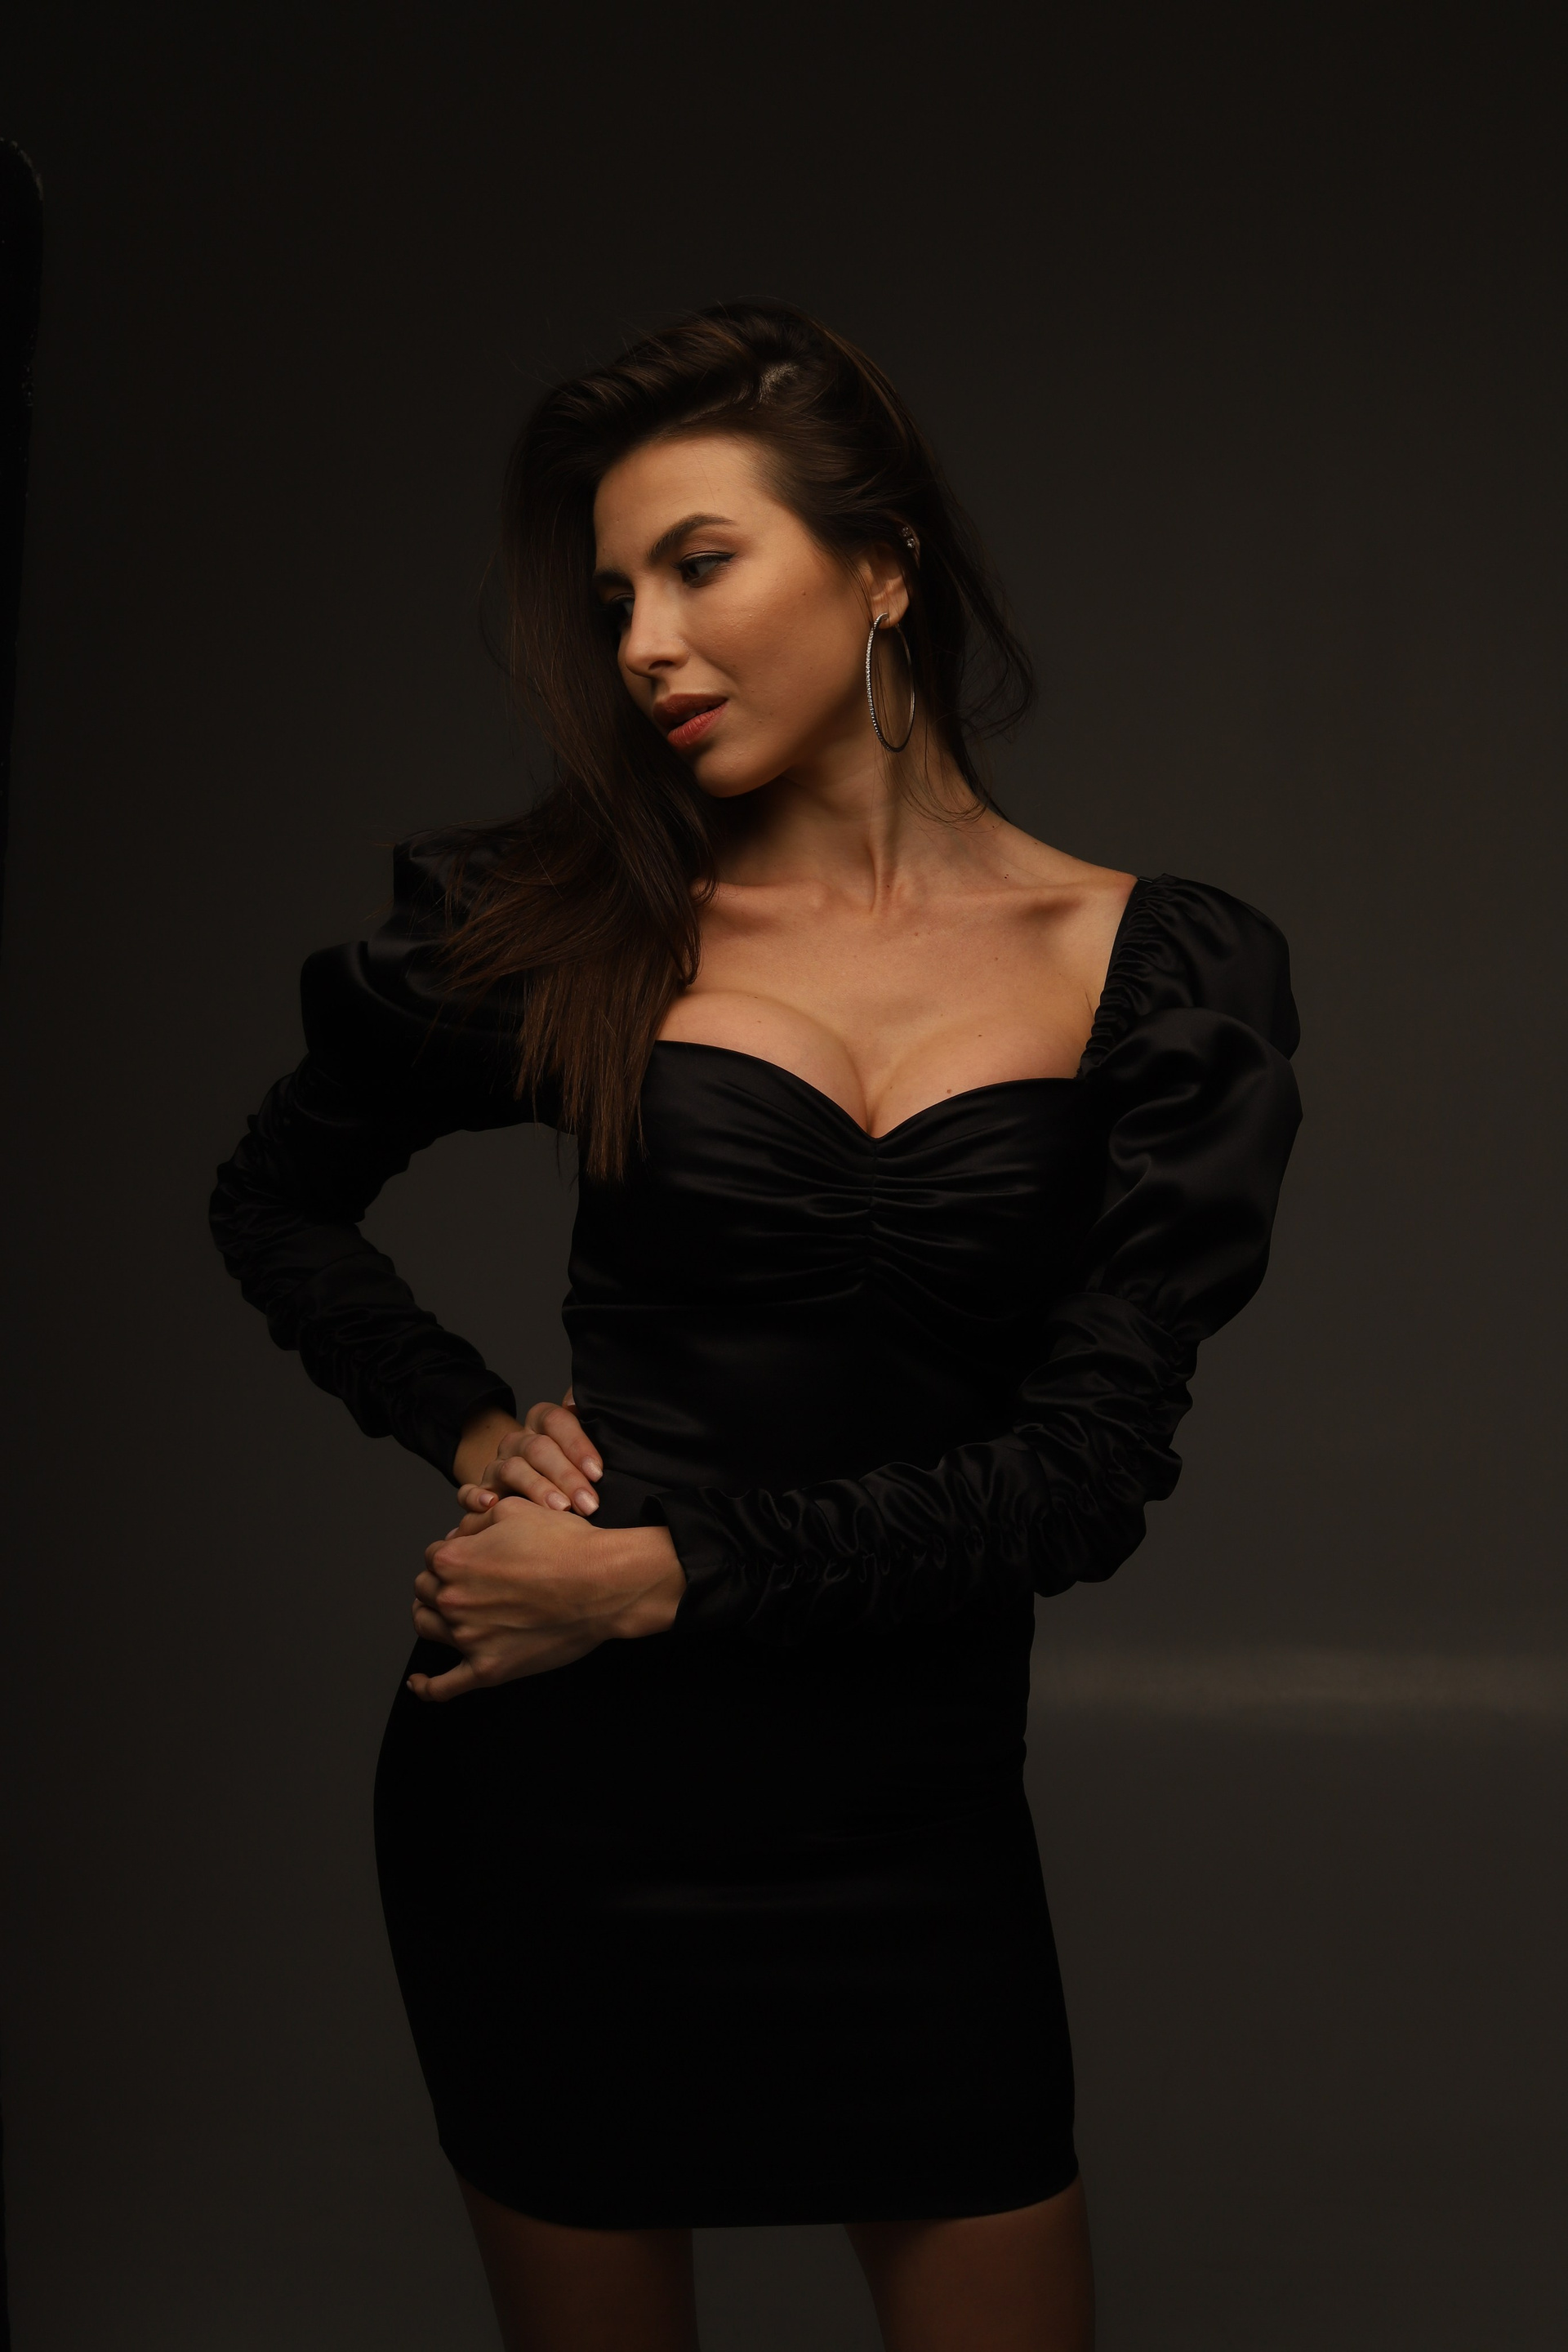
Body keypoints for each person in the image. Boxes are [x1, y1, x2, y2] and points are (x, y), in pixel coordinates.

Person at [211, 300, 1301, 2352]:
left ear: (883, 567)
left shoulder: (1160, 972)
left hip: (907, 1815)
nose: (643, 643)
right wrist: (470, 1428)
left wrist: (655, 1579)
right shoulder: (584, 927)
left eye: (700, 564)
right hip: (551, 1804)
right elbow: (273, 1196)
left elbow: (1081, 1480)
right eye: (616, 595)